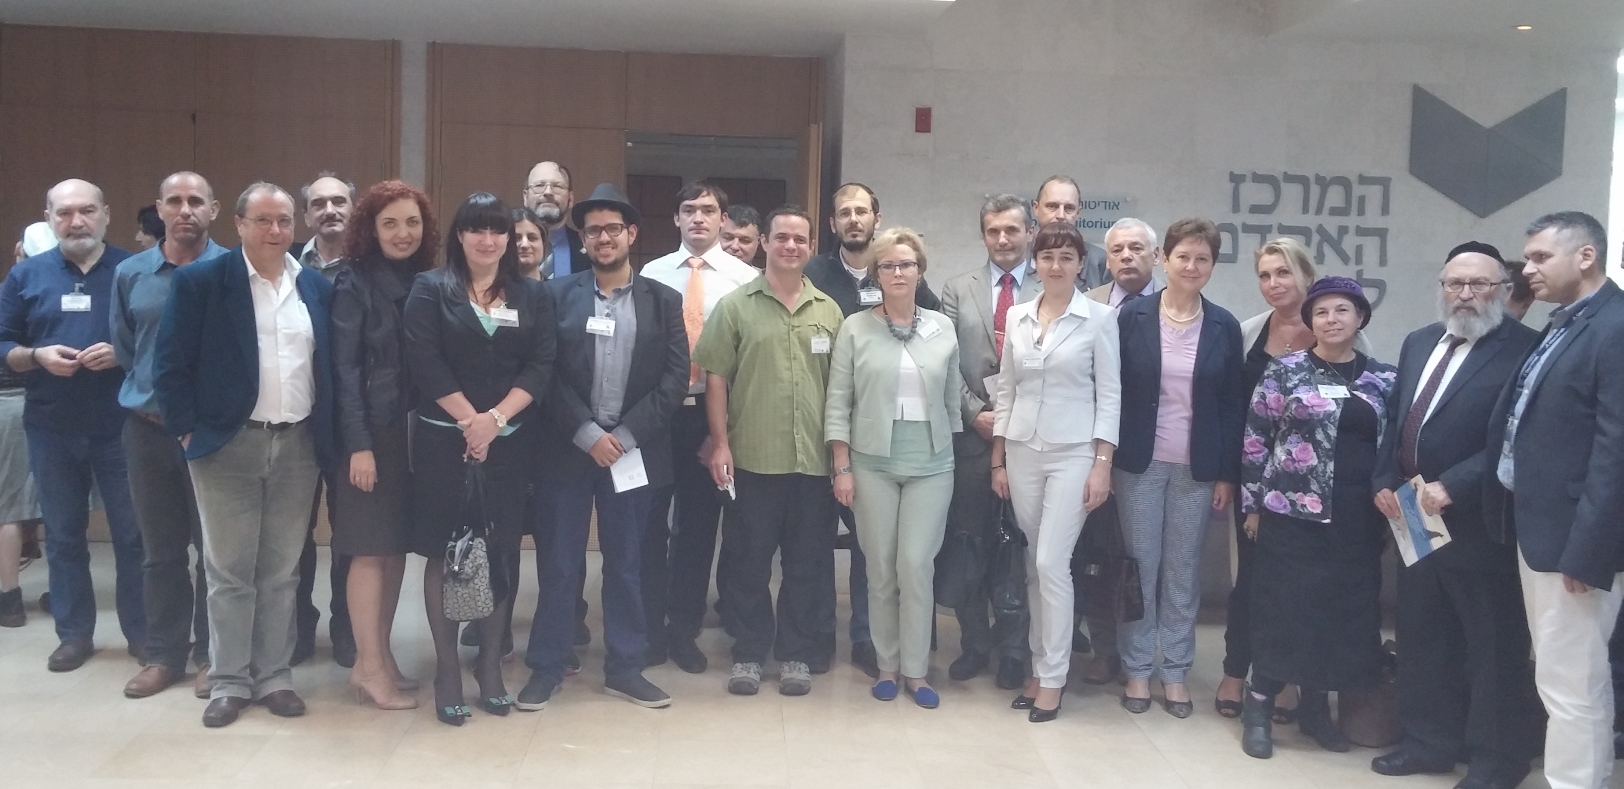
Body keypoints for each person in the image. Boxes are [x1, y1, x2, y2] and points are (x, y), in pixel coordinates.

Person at [154, 182, 335, 728]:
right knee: (230, 570)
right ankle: (229, 680)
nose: (275, 230)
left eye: (284, 221)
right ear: (237, 224)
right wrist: (188, 432)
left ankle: (274, 676)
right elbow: (170, 365)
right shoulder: (202, 282)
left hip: (298, 445)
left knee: (281, 570)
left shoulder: (315, 287)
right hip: (226, 444)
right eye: (263, 220)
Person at [1369, 242, 1540, 789]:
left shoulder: (1525, 350)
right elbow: (1397, 417)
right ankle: (1428, 742)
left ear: (1503, 290)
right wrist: (1382, 478)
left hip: (1479, 520)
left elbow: (1520, 437)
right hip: (1414, 515)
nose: (1465, 294)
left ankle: (1496, 760)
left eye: (1479, 284)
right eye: (1454, 284)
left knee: (1492, 645)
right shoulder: (1421, 340)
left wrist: (1456, 485)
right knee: (1423, 633)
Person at [518, 183, 687, 712]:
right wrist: (588, 434)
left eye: (614, 228)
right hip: (567, 449)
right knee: (560, 565)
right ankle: (547, 665)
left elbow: (674, 381)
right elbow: (543, 372)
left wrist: (625, 437)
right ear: (583, 239)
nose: (604, 238)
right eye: (594, 231)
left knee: (628, 563)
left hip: (633, 453)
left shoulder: (664, 301)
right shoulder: (555, 296)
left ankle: (625, 667)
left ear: (631, 234)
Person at [402, 192, 555, 726]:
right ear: (460, 236)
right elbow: (425, 361)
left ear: (509, 239)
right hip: (444, 442)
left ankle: (490, 665)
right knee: (445, 553)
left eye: (497, 230)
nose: (488, 240)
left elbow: (541, 365)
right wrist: (472, 422)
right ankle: (447, 670)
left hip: (510, 445)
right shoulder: (430, 288)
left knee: (500, 552)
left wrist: (495, 420)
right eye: (477, 229)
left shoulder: (532, 295)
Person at [1484, 211, 1624, 789]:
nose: (1528, 270)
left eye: (1541, 257)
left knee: (1571, 682)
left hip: (1574, 539)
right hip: (1541, 527)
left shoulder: (1615, 326)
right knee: (1563, 676)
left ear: (1585, 256)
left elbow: (1615, 451)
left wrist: (1587, 550)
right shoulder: (1567, 322)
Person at [1238, 275, 1398, 758]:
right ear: (1310, 321)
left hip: (1357, 521)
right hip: (1290, 516)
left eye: (1342, 310)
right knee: (1284, 611)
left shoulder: (1384, 379)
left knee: (1339, 616)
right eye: (1322, 312)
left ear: (1361, 317)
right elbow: (1255, 439)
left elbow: (1394, 446)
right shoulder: (1285, 371)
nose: (1331, 320)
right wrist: (1252, 505)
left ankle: (1315, 711)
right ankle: (1259, 705)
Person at [693, 206, 844, 697]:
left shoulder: (829, 311)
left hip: (813, 463)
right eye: (781, 237)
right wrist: (720, 443)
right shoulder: (736, 306)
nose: (791, 246)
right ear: (765, 243)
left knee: (806, 564)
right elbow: (716, 378)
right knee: (748, 563)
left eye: (800, 239)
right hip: (753, 459)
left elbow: (841, 389)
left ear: (810, 246)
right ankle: (750, 652)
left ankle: (796, 652)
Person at [1218, 237, 1366, 719]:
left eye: (1283, 272)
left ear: (1306, 276)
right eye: (1264, 275)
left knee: (1303, 590)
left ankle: (1284, 681)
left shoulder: (1347, 337)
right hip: (1258, 481)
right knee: (1251, 581)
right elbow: (1233, 408)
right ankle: (1236, 671)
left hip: (1324, 494)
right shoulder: (1247, 332)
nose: (1273, 283)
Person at [0, 178, 145, 673]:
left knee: (133, 537)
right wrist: (35, 356)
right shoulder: (25, 276)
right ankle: (74, 635)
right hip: (51, 426)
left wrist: (122, 353)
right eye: (64, 213)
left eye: (86, 211)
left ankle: (143, 634)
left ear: (106, 214)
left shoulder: (133, 269)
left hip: (122, 425)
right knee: (63, 537)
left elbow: (160, 340)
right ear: (48, 218)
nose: (76, 221)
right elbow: (3, 343)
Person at [803, 182, 940, 677]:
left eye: (862, 211)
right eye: (844, 212)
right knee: (815, 541)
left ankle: (868, 637)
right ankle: (819, 635)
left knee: (873, 550)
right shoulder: (814, 274)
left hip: (887, 442)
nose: (854, 219)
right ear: (833, 223)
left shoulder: (908, 279)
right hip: (825, 428)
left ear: (876, 219)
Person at [989, 220, 1120, 722]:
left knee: (1050, 562)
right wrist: (998, 458)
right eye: (1047, 256)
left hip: (1074, 452)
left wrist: (1102, 464)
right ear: (1035, 263)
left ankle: (1054, 677)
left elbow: (1110, 396)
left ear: (1081, 264)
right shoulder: (1018, 315)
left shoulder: (1099, 319)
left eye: (1066, 257)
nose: (1056, 265)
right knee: (1033, 564)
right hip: (1023, 449)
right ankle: (1040, 667)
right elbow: (1006, 391)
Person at [1114, 218, 1245, 719]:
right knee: (1140, 567)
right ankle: (1137, 667)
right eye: (1183, 256)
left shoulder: (1224, 325)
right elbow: (1112, 392)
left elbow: (1232, 405)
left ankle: (1175, 671)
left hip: (1198, 469)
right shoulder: (1131, 318)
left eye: (1202, 258)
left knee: (1182, 572)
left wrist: (1227, 473)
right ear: (1163, 260)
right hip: (1138, 464)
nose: (1192, 266)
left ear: (1212, 265)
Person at [826, 227, 962, 708]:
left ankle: (917, 671)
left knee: (916, 565)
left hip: (932, 462)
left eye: (906, 264)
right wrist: (841, 465)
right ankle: (887, 666)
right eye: (888, 265)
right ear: (876, 274)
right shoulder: (854, 328)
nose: (898, 273)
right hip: (871, 463)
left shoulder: (942, 327)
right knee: (880, 568)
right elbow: (838, 401)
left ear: (919, 271)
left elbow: (952, 399)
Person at [111, 172, 225, 700]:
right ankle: (164, 655)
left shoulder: (231, 271)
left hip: (209, 435)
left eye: (195, 201)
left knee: (214, 553)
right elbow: (126, 347)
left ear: (213, 210)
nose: (185, 210)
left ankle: (211, 656)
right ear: (158, 209)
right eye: (174, 201)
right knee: (159, 552)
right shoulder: (131, 273)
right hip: (148, 430)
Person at [331, 180, 441, 711]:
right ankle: (369, 666)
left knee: (393, 547)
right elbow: (346, 371)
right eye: (390, 223)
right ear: (370, 229)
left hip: (412, 430)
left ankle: (378, 659)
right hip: (371, 434)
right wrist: (359, 445)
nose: (403, 233)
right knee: (371, 549)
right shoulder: (353, 281)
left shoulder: (426, 279)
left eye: (412, 222)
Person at [639, 181, 758, 674]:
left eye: (708, 210)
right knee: (649, 525)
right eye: (688, 210)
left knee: (697, 528)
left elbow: (747, 362)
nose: (698, 218)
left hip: (709, 415)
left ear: (723, 219)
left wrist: (721, 431)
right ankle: (648, 631)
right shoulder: (651, 273)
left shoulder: (745, 280)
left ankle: (683, 630)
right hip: (655, 415)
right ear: (676, 219)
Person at [938, 193, 1039, 691]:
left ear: (1030, 233)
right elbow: (944, 361)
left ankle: (1015, 650)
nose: (1003, 239)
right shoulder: (958, 289)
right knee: (969, 543)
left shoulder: (1053, 286)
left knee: (1017, 550)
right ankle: (975, 643)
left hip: (1030, 439)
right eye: (993, 230)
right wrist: (974, 413)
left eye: (1012, 230)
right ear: (983, 235)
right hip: (972, 439)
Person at [1077, 216, 1165, 687]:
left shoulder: (1175, 305)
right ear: (1106, 259)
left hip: (1152, 450)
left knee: (1143, 557)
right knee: (1097, 552)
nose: (1127, 257)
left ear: (1156, 256)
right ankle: (1105, 648)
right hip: (1090, 450)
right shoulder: (1086, 305)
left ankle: (1143, 657)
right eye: (1117, 250)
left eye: (1136, 248)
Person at [293, 171, 356, 667]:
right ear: (306, 215)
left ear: (353, 209)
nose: (330, 210)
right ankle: (296, 629)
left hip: (351, 421)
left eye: (339, 201)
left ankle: (347, 629)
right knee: (293, 535)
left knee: (350, 534)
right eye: (319, 204)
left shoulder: (370, 267)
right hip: (295, 417)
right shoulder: (286, 265)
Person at [1031, 176, 1108, 290]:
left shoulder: (1099, 262)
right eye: (1052, 206)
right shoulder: (1019, 257)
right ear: (1036, 208)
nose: (1061, 215)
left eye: (1069, 208)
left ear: (1078, 213)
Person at [524, 161, 582, 280]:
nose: (548, 192)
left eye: (557, 186)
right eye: (539, 185)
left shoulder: (587, 247)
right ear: (525, 197)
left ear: (570, 199)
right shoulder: (505, 245)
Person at [512, 206, 552, 280]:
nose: (525, 245)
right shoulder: (491, 287)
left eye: (532, 238)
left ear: (544, 244)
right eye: (516, 238)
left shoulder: (556, 287)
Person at [721, 204, 763, 268]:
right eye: (728, 238)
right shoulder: (703, 273)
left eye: (745, 241)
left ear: (758, 242)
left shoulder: (762, 275)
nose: (734, 246)